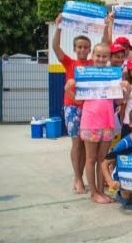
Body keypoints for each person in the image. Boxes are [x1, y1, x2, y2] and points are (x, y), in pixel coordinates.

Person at [64, 43, 127, 204]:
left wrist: (126, 90)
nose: (101, 59)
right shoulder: (86, 75)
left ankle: (101, 191)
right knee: (91, 159)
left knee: (102, 159)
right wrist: (69, 89)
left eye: (104, 56)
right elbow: (77, 98)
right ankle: (94, 193)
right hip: (90, 121)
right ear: (93, 55)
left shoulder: (113, 75)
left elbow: (120, 100)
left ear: (109, 58)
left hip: (107, 121)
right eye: (98, 55)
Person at [52, 15, 93, 194]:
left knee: (85, 145)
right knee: (76, 143)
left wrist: (108, 25)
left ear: (89, 49)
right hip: (72, 107)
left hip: (89, 108)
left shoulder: (93, 63)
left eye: (85, 47)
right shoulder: (69, 62)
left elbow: (106, 43)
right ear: (75, 49)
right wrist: (59, 27)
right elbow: (55, 47)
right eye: (79, 47)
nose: (83, 50)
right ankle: (77, 178)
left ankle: (81, 176)